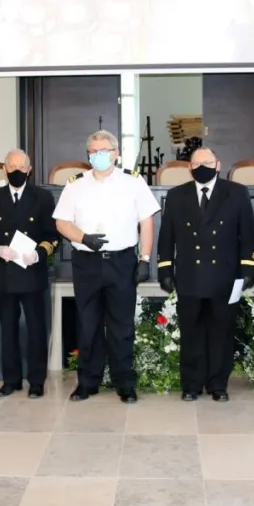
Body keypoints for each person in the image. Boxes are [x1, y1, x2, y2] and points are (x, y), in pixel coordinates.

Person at [53, 130, 160, 404]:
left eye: (103, 151)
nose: (98, 155)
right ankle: (87, 382)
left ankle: (124, 383)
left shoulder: (133, 182)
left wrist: (145, 259)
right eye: (93, 151)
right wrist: (83, 238)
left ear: (116, 153)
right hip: (86, 263)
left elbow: (147, 221)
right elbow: (61, 222)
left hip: (122, 262)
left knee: (121, 326)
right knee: (87, 325)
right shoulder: (75, 184)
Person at [157, 147, 254, 402]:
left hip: (225, 276)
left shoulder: (237, 193)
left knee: (221, 333)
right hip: (189, 276)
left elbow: (248, 234)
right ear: (189, 167)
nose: (203, 167)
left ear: (218, 165)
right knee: (191, 333)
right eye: (197, 163)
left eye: (208, 162)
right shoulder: (177, 195)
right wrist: (165, 269)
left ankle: (218, 385)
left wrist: (248, 268)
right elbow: (166, 236)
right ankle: (191, 385)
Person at [0, 150, 59, 399]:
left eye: (21, 167)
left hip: (32, 273)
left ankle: (36, 382)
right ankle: (10, 381)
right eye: (12, 166)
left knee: (36, 330)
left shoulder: (42, 197)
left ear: (29, 170)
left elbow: (52, 236)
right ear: (4, 168)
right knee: (8, 330)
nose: (16, 171)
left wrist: (39, 253)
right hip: (5, 273)